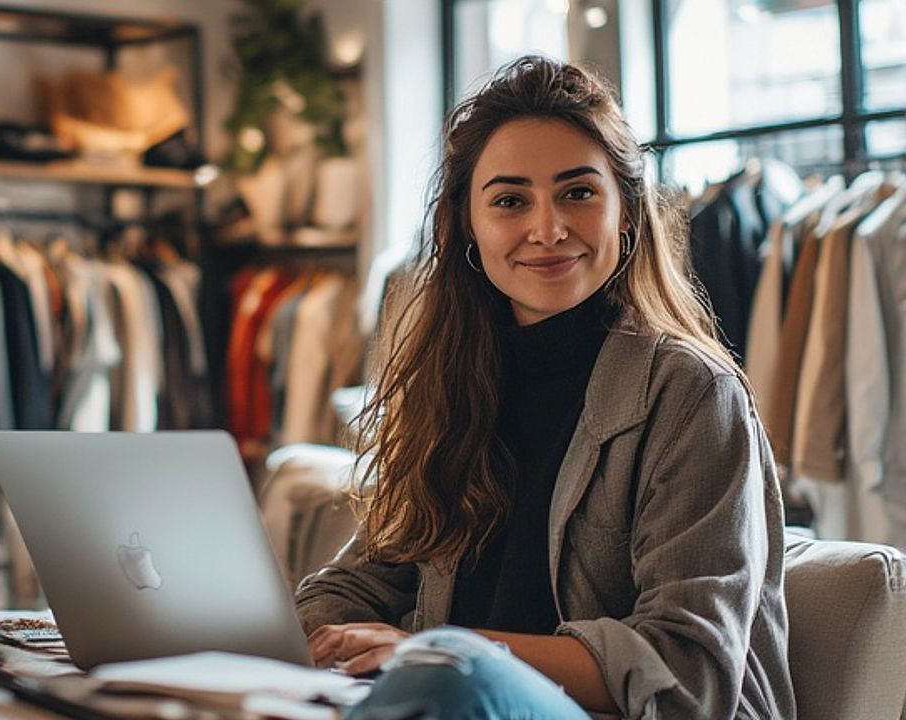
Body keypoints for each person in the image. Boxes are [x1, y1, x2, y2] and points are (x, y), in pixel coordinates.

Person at [295, 55, 794, 720]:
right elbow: (352, 588)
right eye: (509, 201)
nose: (548, 228)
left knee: (450, 678)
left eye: (578, 192)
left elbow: (686, 672)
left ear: (626, 212)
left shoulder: (692, 393)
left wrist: (440, 650)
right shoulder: (452, 383)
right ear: (467, 224)